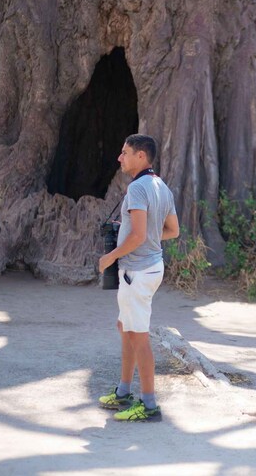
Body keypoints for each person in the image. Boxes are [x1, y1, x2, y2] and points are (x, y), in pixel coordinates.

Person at [97, 134, 179, 422]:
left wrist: (112, 256)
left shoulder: (138, 189)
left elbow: (139, 235)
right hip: (149, 268)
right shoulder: (162, 187)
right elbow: (172, 230)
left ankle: (148, 404)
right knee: (126, 328)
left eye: (125, 152)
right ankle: (123, 392)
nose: (120, 157)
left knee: (139, 336)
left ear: (141, 157)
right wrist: (140, 239)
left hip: (137, 272)